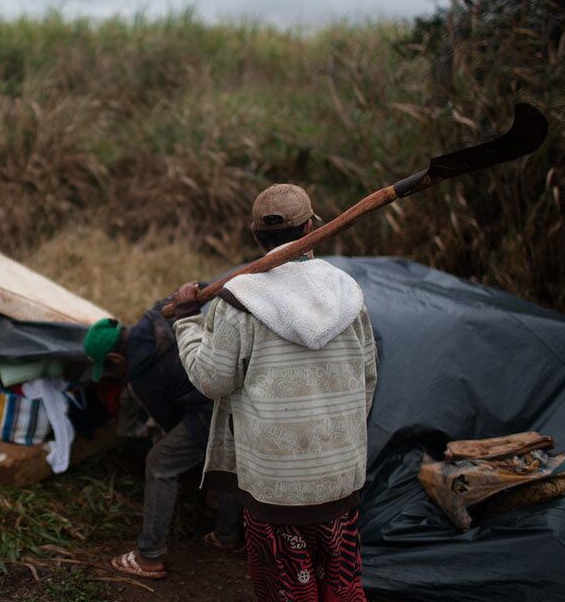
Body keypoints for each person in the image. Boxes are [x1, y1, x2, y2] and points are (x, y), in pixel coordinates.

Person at [170, 183, 378, 602]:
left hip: (276, 484)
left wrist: (187, 320)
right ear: (311, 225)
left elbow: (212, 380)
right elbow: (367, 378)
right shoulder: (348, 293)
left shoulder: (238, 301)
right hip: (340, 472)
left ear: (255, 234)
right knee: (340, 583)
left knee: (289, 588)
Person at [86, 313, 244, 581]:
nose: (114, 376)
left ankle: (149, 555)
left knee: (161, 462)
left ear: (115, 359)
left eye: (110, 370)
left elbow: (169, 421)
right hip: (234, 390)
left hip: (206, 409)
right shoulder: (156, 318)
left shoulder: (138, 376)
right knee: (230, 456)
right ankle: (227, 535)